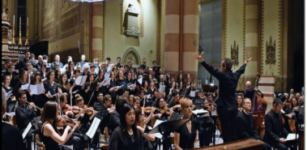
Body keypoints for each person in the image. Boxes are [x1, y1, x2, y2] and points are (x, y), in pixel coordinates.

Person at [193, 52, 252, 142]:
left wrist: (202, 61)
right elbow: (241, 70)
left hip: (225, 110)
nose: (220, 67)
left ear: (224, 67)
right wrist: (245, 63)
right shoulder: (235, 76)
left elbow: (212, 70)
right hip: (233, 109)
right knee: (233, 133)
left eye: (221, 66)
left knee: (226, 134)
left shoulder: (223, 75)